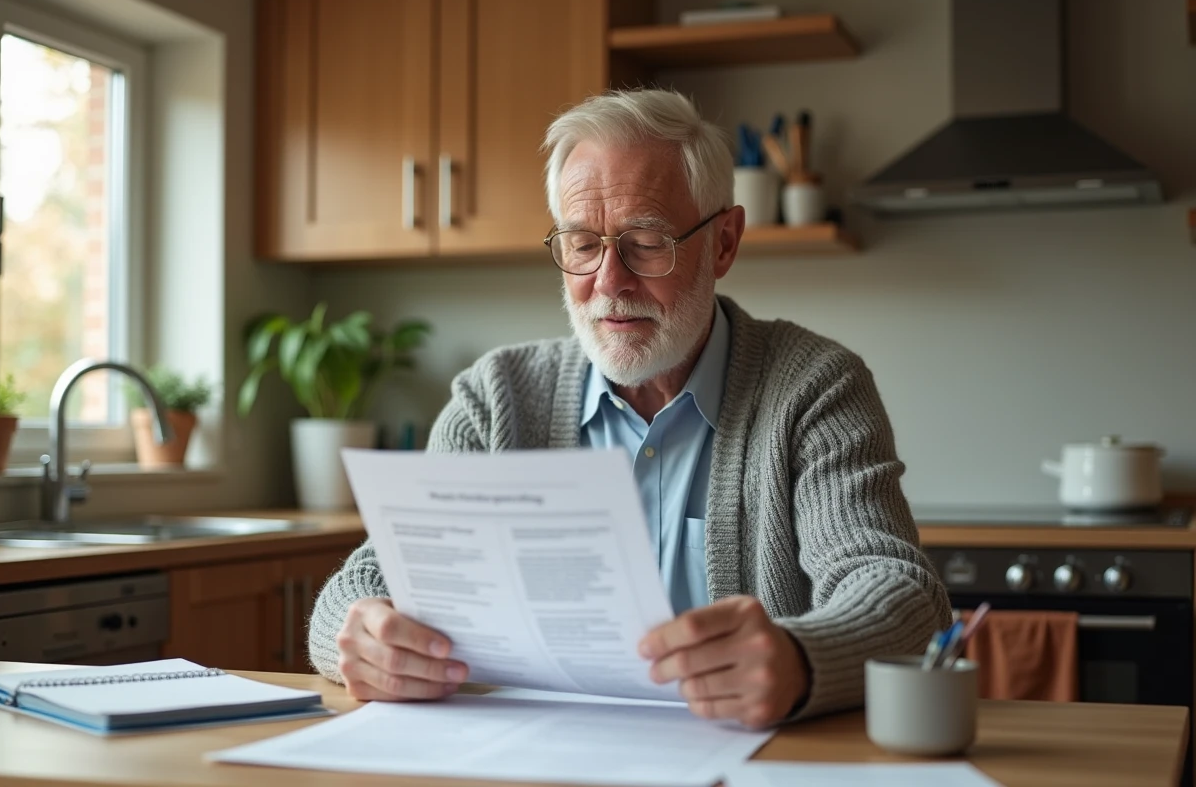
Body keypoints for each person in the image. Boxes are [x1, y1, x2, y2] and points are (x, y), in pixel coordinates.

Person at [307, 88, 951, 729]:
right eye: (583, 244)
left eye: (646, 241)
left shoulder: (814, 388)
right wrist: (359, 633)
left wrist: (802, 660)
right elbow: (371, 577)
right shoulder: (495, 398)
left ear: (723, 243)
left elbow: (898, 590)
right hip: (530, 759)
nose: (609, 282)